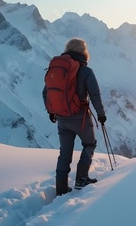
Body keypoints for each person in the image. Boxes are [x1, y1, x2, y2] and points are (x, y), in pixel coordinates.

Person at [43, 37, 107, 196]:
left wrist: (51, 111)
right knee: (89, 144)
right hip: (81, 118)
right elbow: (95, 95)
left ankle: (61, 188)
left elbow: (46, 92)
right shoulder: (86, 71)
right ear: (84, 52)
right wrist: (101, 114)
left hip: (62, 118)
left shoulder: (58, 69)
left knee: (65, 152)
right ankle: (81, 179)